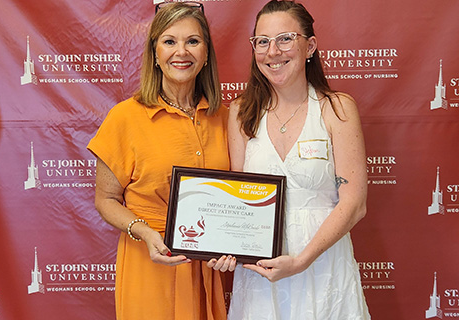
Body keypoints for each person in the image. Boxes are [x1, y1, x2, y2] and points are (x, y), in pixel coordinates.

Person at [87, 2, 233, 319]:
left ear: (206, 53)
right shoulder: (125, 117)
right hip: (150, 261)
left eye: (193, 41)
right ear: (155, 53)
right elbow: (106, 199)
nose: (181, 51)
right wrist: (147, 233)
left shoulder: (225, 118)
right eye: (169, 41)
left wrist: (233, 243)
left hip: (206, 267)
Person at [226, 1, 371, 319]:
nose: (273, 52)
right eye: (262, 41)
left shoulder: (337, 109)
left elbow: (355, 203)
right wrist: (224, 247)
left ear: (310, 46)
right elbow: (240, 205)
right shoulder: (240, 112)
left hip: (323, 268)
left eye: (285, 38)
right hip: (262, 275)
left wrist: (302, 259)